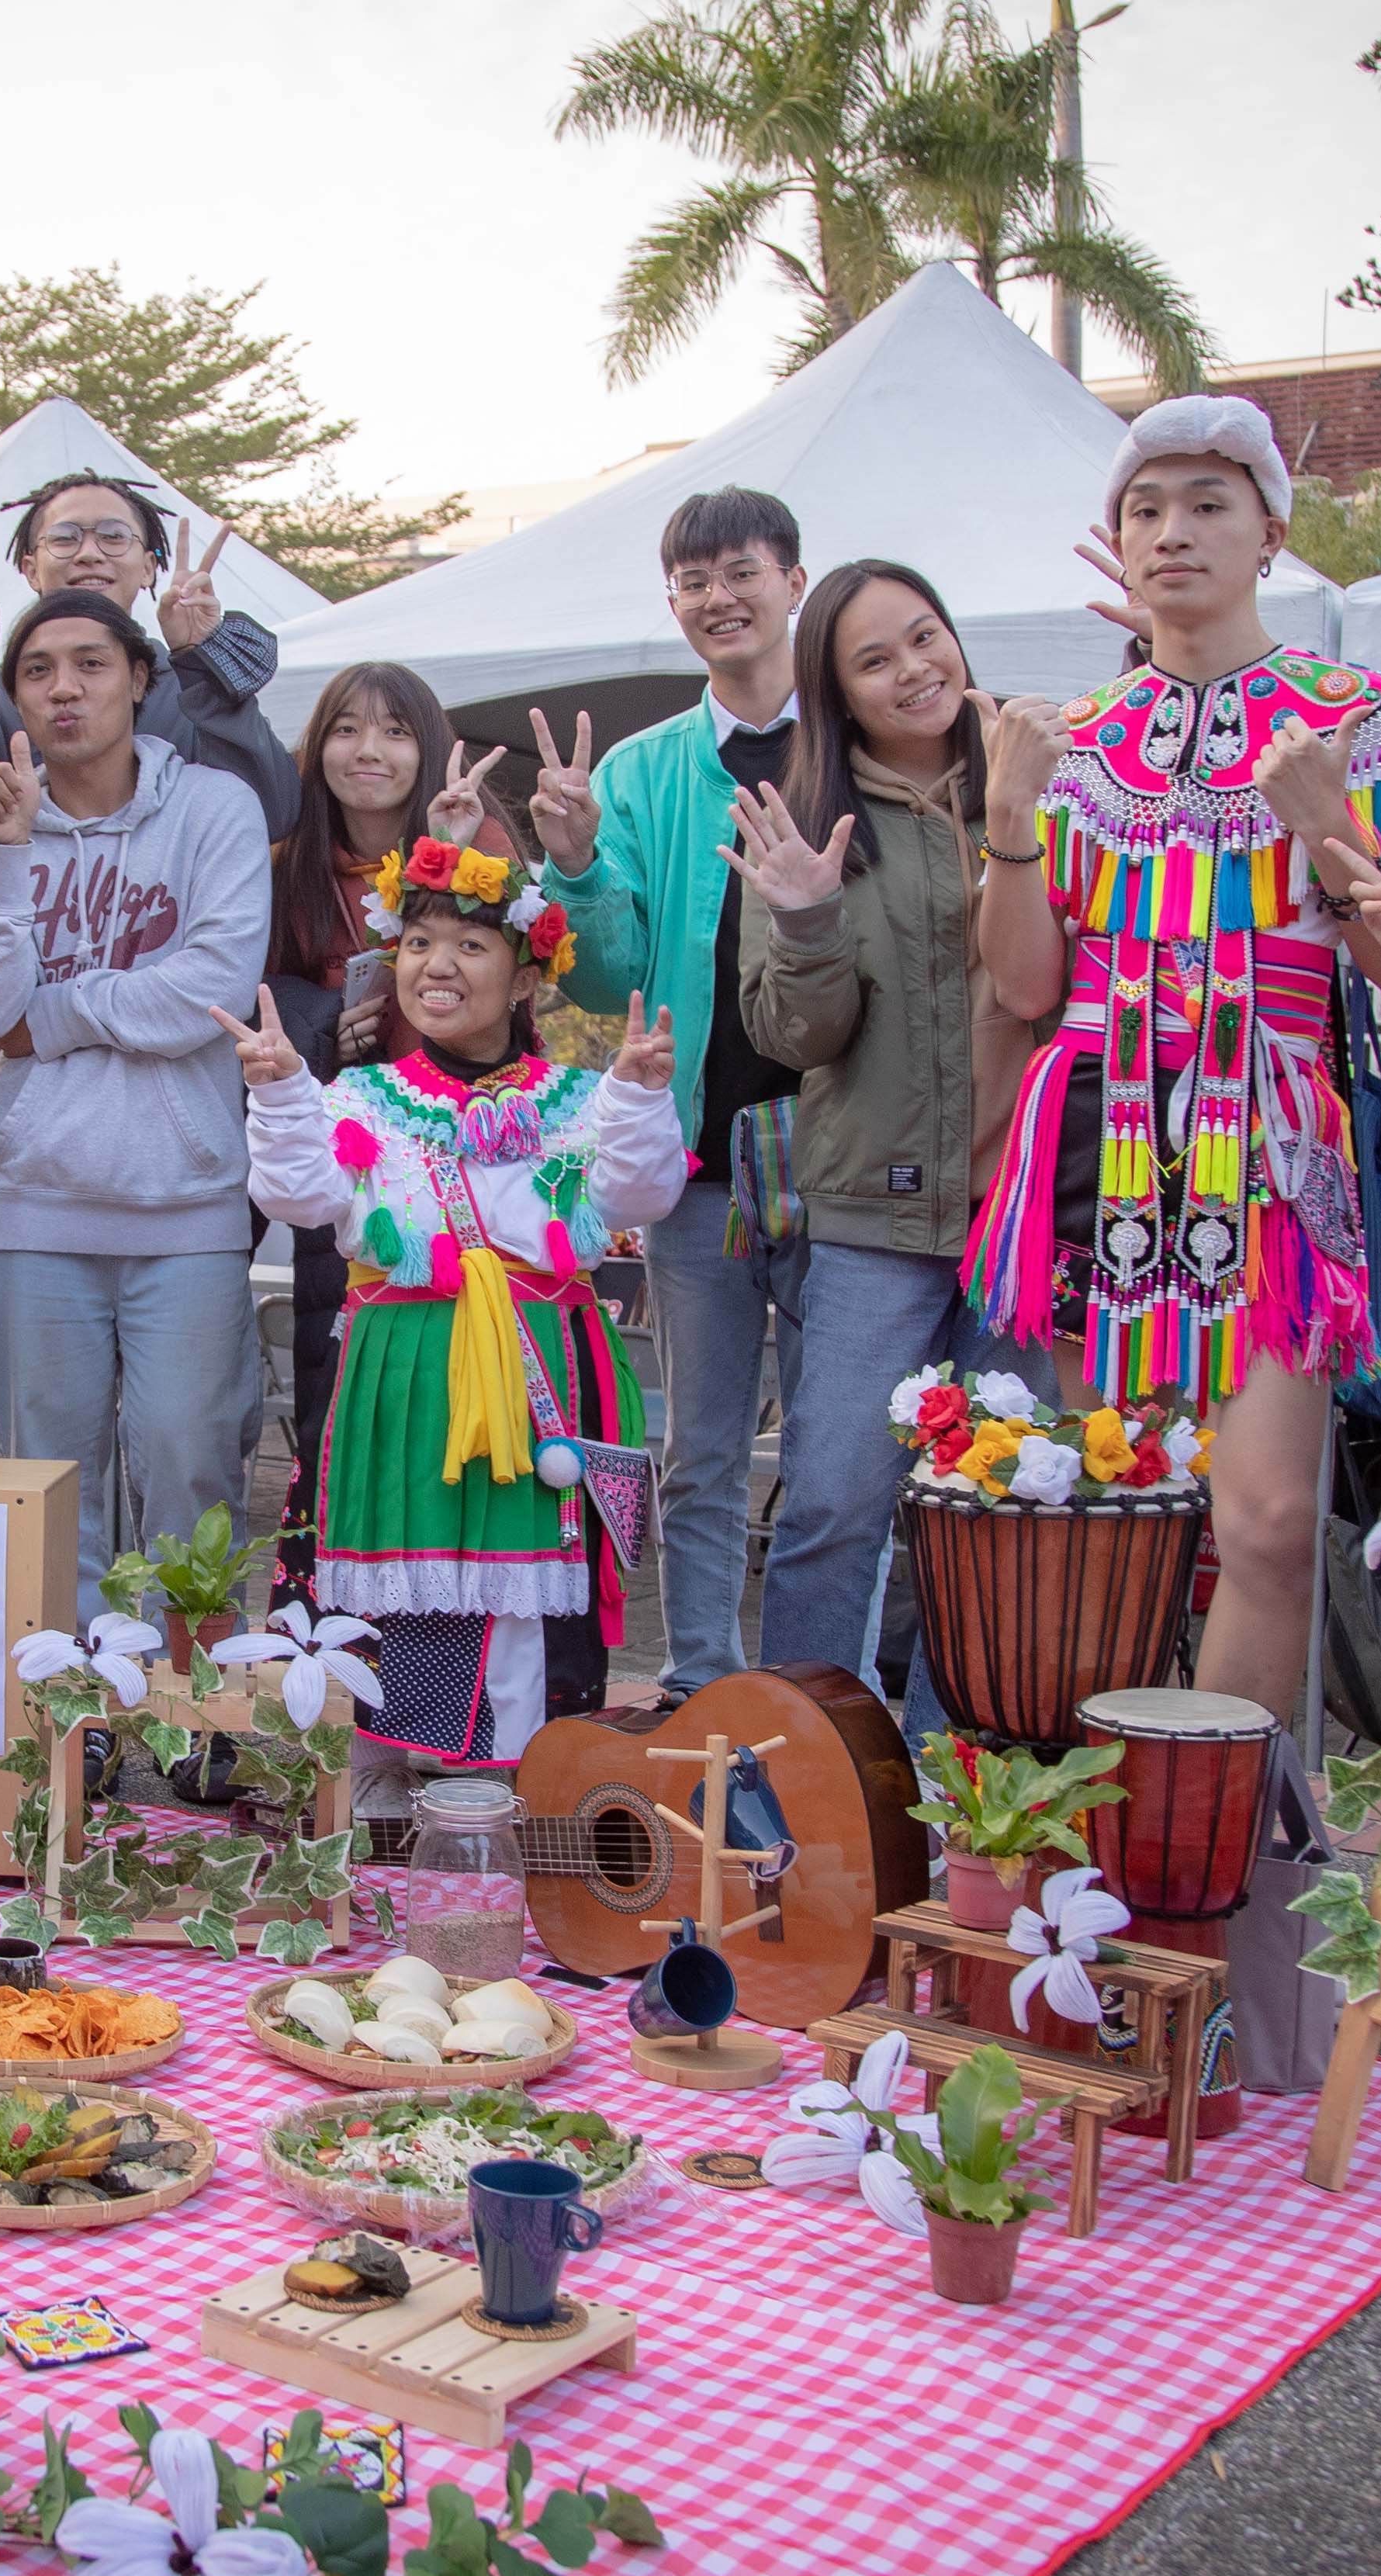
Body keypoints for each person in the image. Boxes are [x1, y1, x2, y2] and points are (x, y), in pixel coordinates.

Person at [956, 395, 1381, 1737]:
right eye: (1143, 509)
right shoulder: (1070, 744)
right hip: (1097, 1117)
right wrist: (1004, 822)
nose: (1170, 532)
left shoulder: (1366, 719)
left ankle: (1218, 1827)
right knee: (1122, 1503)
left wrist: (1328, 827)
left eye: (1206, 503)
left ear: (1270, 533)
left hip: (1272, 1119)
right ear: (1113, 545)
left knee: (1274, 1517)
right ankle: (1119, 1822)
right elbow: (1023, 984)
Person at [229, 860, 683, 1790]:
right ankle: (407, 1767)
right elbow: (298, 1195)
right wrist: (279, 1091)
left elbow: (642, 1193)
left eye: (472, 945)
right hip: (409, 1369)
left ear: (525, 978)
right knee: (416, 1565)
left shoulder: (574, 1102)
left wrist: (636, 1096)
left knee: (521, 1579)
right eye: (420, 943)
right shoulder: (359, 1099)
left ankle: (518, 1773)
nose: (438, 964)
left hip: (538, 1373)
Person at [0, 476, 300, 1459]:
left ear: (153, 566)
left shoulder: (188, 694)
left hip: (168, 1109)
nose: (87, 551)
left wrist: (205, 665)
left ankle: (171, 1612)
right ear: (24, 564)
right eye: (60, 537)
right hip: (2, 1088)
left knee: (186, 1418)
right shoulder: (3, 694)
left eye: (114, 534)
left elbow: (272, 812)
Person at [729, 560, 1040, 1718]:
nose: (915, 670)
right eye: (875, 659)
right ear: (836, 693)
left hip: (1022, 1218)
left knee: (1003, 1514)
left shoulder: (1038, 783)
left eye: (926, 636)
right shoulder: (803, 829)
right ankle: (805, 1780)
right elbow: (793, 1033)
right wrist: (806, 914)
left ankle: (963, 1789)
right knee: (832, 1508)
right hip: (872, 1220)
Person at [0, 588, 275, 1615]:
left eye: (90, 663)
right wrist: (3, 858)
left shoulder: (216, 808)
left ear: (139, 678)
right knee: (48, 1489)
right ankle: (68, 1729)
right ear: (16, 701)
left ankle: (188, 1721)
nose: (65, 687)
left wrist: (56, 1016)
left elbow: (211, 989)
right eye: (38, 671)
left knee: (192, 1469)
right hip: (39, 1205)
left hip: (187, 1203)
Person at [540, 488, 817, 1706]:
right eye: (694, 581)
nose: (720, 598)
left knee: (836, 1454)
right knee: (701, 1450)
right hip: (697, 1161)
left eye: (742, 571)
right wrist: (575, 861)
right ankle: (703, 1677)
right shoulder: (649, 769)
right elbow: (605, 974)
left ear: (796, 580)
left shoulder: (854, 742)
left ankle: (819, 1695)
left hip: (849, 1156)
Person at [261, 661, 524, 1604]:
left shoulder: (479, 839)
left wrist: (457, 847)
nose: (368, 751)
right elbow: (271, 1006)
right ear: (315, 746)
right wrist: (335, 1032)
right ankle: (326, 1605)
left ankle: (469, 1590)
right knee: (337, 1367)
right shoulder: (287, 859)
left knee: (464, 1362)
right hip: (348, 1151)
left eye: (394, 731)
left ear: (430, 746)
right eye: (345, 729)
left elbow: (533, 978)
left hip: (475, 1147)